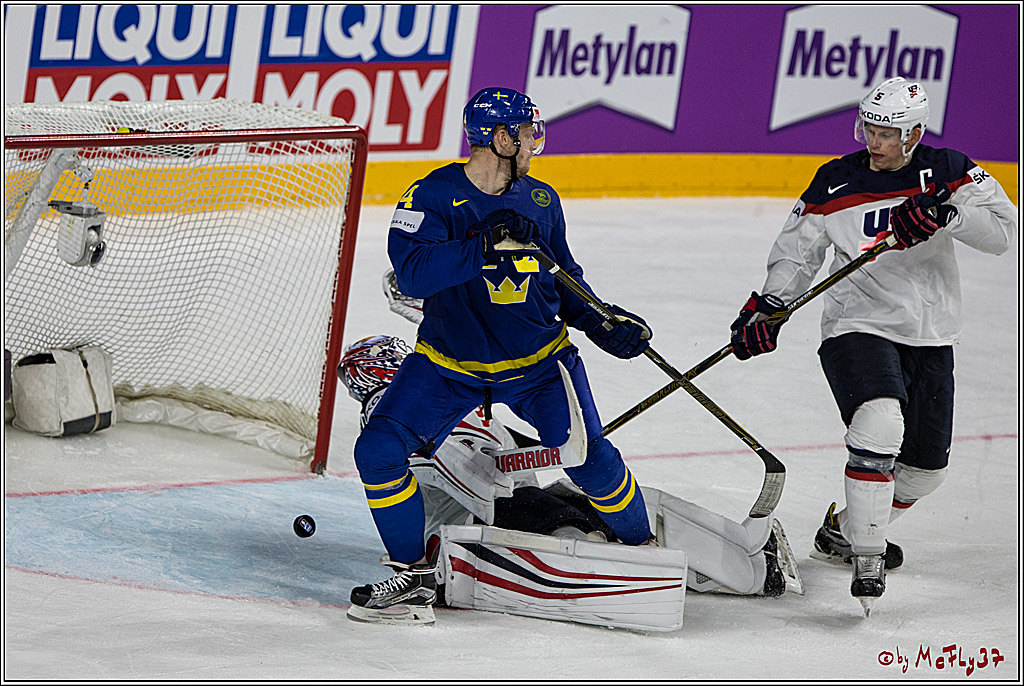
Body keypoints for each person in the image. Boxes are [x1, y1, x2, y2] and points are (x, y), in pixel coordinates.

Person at [347, 87, 657, 625]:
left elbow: (564, 281)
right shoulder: (429, 196)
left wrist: (603, 321)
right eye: (528, 131)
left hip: (539, 365)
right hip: (448, 366)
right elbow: (414, 272)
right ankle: (412, 579)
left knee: (589, 458)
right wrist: (480, 247)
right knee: (377, 450)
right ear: (498, 137)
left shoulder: (541, 201)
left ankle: (644, 553)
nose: (536, 141)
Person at [729, 77, 1017, 614]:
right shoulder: (836, 179)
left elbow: (1005, 232)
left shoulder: (949, 170)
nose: (874, 142)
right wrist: (768, 303)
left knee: (926, 471)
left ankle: (842, 531)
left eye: (887, 133)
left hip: (931, 332)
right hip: (855, 323)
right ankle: (868, 553)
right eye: (870, 129)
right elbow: (798, 250)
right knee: (880, 421)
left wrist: (947, 215)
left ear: (914, 133)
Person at [338, 331, 802, 629]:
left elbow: (496, 451)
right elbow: (478, 479)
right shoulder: (395, 411)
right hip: (465, 531)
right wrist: (554, 454)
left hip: (497, 507)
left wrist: (557, 448)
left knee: (583, 498)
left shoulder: (424, 393)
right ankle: (747, 570)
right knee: (557, 514)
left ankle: (748, 561)